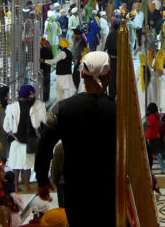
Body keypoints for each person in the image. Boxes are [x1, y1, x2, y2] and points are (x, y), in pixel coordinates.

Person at [35, 51, 116, 226]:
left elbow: (44, 145)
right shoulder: (118, 111)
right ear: (108, 76)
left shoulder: (62, 109)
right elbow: (140, 147)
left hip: (76, 191)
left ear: (81, 74)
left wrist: (42, 179)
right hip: (109, 191)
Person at [4, 85, 46, 190]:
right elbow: (40, 122)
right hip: (30, 140)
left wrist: (13, 135)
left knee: (15, 165)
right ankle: (27, 185)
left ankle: (16, 185)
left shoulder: (11, 107)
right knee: (28, 164)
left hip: (16, 139)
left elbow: (6, 125)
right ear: (30, 94)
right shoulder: (35, 106)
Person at [145, 102, 165, 173]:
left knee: (149, 153)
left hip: (151, 138)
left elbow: (149, 129)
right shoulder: (157, 117)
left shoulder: (150, 117)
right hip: (156, 137)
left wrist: (146, 136)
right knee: (157, 153)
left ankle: (149, 168)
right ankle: (163, 167)